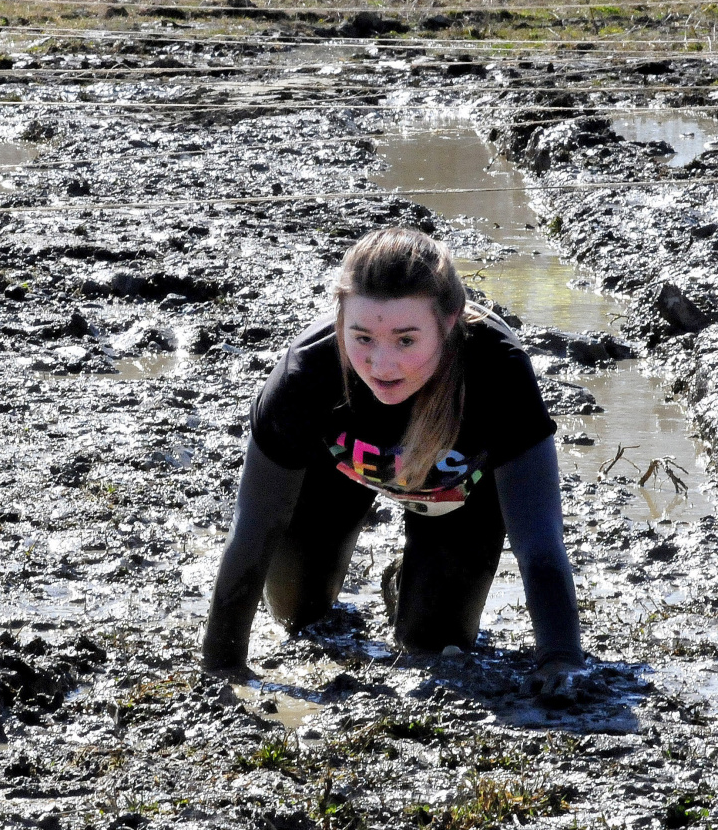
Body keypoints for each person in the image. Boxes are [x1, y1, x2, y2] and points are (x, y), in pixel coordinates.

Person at [201, 227, 586, 691]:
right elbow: (254, 529)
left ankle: (406, 583)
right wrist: (223, 668)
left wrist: (561, 660)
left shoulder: (498, 371)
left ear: (449, 323)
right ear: (340, 319)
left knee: (434, 645)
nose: (382, 367)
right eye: (362, 338)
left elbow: (539, 546)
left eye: (406, 341)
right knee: (297, 618)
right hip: (335, 475)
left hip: (459, 494)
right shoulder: (306, 374)